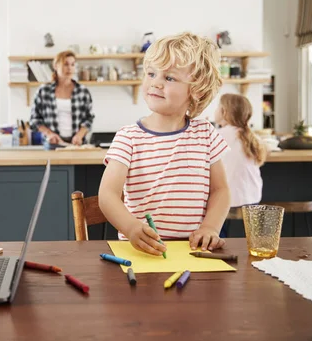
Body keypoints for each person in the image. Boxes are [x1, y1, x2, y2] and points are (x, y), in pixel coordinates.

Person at [98, 32, 231, 256]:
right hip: (141, 251)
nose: (155, 83)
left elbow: (221, 190)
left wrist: (210, 228)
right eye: (151, 73)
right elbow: (107, 195)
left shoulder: (206, 134)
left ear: (196, 90)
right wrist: (130, 228)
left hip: (192, 252)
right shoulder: (128, 137)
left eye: (169, 78)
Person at [214, 93, 266, 235]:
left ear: (224, 111)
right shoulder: (252, 137)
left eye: (218, 106)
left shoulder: (217, 135)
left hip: (226, 202)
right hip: (252, 200)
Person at [30, 51, 94, 145]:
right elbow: (34, 120)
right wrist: (49, 134)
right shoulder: (43, 91)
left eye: (72, 64)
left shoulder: (83, 91)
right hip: (52, 144)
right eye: (65, 64)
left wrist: (79, 135)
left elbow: (89, 119)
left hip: (77, 145)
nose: (69, 68)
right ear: (56, 66)